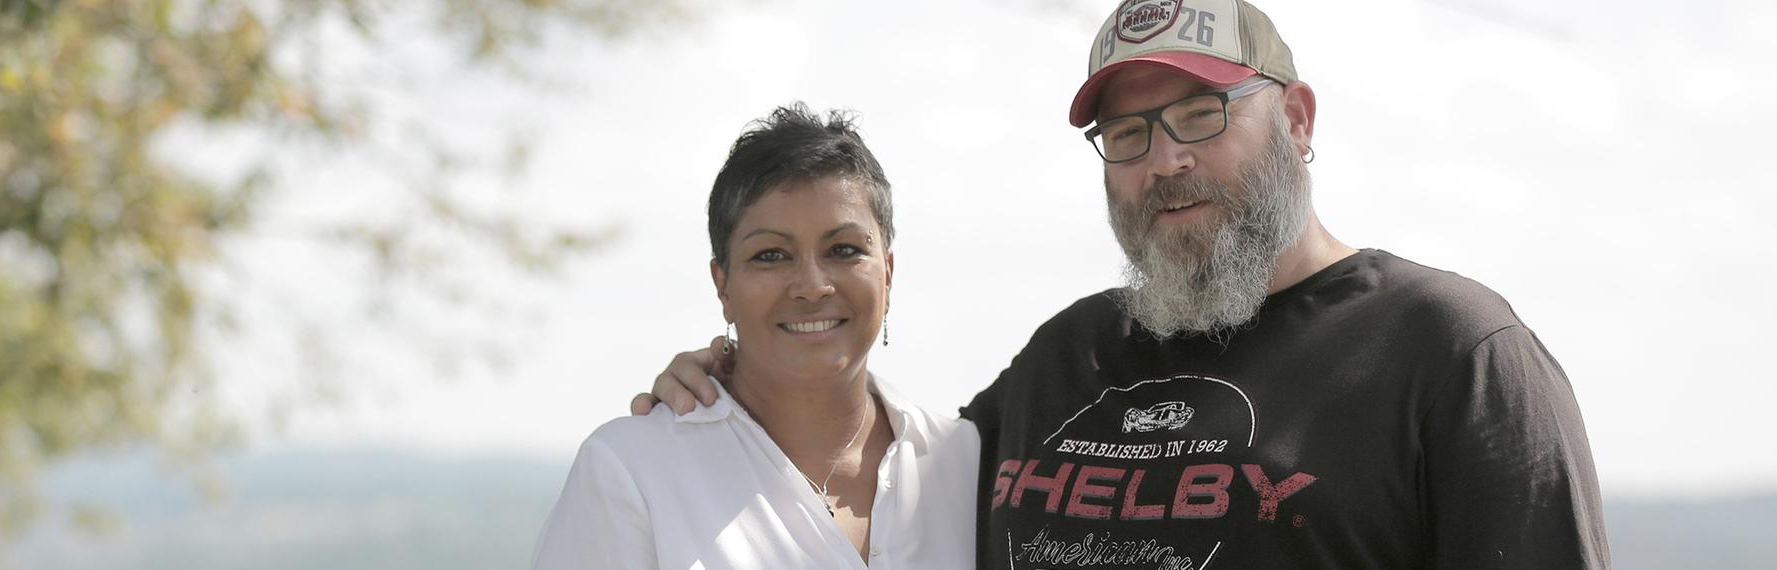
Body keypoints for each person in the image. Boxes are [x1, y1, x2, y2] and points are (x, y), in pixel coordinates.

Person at [635, 0, 1610, 568]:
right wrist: (737, 384)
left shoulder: (1452, 355)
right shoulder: (1074, 351)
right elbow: (876, 488)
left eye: (1200, 115)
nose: (1163, 161)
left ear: (1298, 119)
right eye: (1129, 134)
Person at [532, 103, 978, 568]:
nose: (811, 286)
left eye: (843, 250)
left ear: (887, 272)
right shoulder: (632, 471)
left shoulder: (968, 463)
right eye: (771, 255)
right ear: (722, 284)